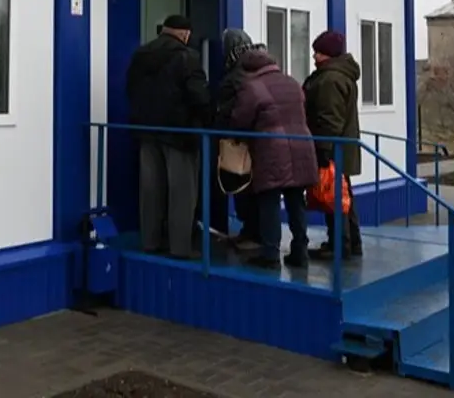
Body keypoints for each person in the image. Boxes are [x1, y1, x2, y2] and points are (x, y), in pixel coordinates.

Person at [125, 14, 211, 260]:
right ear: (184, 34)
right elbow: (199, 96)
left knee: (151, 190)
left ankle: (150, 242)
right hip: (179, 134)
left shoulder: (140, 54)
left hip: (146, 133)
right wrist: (207, 120)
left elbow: (130, 89)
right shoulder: (187, 57)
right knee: (182, 192)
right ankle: (180, 248)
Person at [228, 48, 319, 269]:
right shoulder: (291, 82)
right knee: (296, 200)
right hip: (302, 146)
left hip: (271, 150)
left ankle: (270, 254)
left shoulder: (252, 87)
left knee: (269, 201)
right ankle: (300, 250)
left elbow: (240, 120)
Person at [304, 30, 364, 260]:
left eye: (318, 52)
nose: (314, 56)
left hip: (332, 149)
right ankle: (351, 242)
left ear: (328, 54)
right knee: (343, 196)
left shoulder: (329, 80)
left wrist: (323, 150)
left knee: (333, 197)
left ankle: (340, 246)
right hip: (343, 147)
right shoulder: (342, 75)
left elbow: (329, 119)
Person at [211, 28, 261, 251]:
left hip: (241, 139)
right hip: (258, 138)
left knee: (243, 186)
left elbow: (232, 109)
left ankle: (252, 233)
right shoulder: (258, 69)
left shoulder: (237, 74)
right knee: (251, 187)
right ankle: (253, 232)